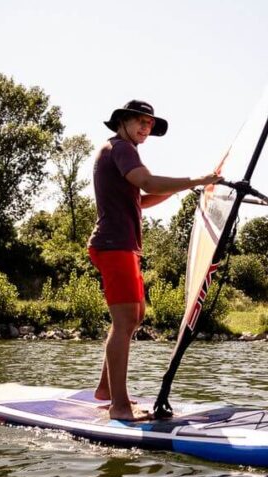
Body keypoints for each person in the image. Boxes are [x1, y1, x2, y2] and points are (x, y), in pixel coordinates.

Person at [87, 100, 222, 421]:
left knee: (134, 317)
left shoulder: (119, 151)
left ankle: (107, 390)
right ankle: (119, 407)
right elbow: (147, 182)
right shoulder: (121, 148)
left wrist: (175, 190)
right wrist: (194, 180)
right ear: (122, 121)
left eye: (149, 124)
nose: (145, 128)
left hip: (123, 247)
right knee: (123, 323)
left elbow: (142, 199)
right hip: (113, 245)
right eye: (140, 122)